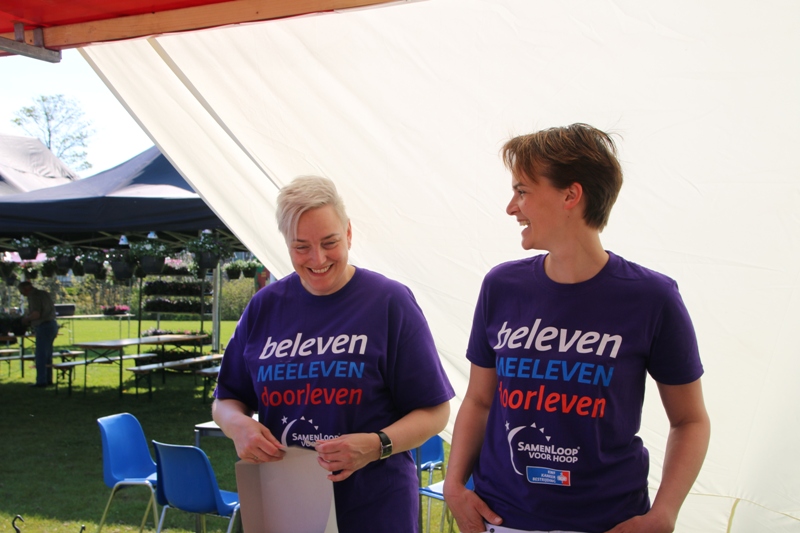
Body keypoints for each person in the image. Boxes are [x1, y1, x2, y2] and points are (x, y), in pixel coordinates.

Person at [443, 124, 710, 533]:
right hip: (501, 517)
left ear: (571, 195)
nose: (512, 207)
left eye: (522, 191)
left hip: (608, 521)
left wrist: (664, 513)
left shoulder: (652, 298)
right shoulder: (501, 286)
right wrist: (453, 485)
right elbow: (479, 400)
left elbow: (690, 420)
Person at [212, 176, 454, 533]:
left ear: (349, 233)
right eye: (301, 247)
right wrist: (237, 426)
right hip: (289, 506)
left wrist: (377, 444)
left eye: (330, 242)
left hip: (375, 508)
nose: (318, 259)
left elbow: (435, 412)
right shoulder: (265, 307)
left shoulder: (389, 302)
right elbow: (226, 399)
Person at [18, 280, 58, 388]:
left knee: (40, 355)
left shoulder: (33, 296)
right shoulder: (44, 293)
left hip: (43, 326)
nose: (22, 294)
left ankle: (41, 381)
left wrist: (26, 319)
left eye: (22, 291)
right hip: (52, 324)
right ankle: (48, 378)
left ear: (26, 289)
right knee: (48, 355)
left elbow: (36, 314)